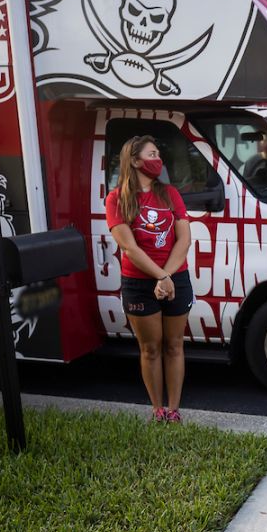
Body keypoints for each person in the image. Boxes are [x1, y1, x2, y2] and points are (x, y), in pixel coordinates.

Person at [105, 136, 194, 423]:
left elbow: (184, 239)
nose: (159, 159)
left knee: (174, 345)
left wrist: (167, 276)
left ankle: (174, 410)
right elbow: (128, 247)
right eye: (152, 154)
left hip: (174, 279)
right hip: (139, 283)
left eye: (159, 153)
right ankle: (157, 410)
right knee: (150, 348)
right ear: (135, 161)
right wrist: (160, 276)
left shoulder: (170, 194)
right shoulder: (116, 198)